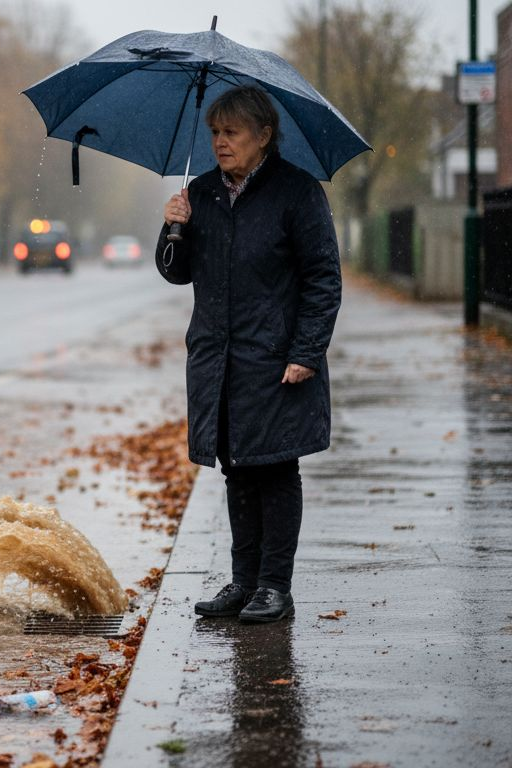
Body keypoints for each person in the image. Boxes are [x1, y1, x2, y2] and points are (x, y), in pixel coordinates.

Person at [156, 85, 342, 623]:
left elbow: (322, 279)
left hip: (278, 357)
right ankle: (243, 581)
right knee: (237, 466)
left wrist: (307, 350)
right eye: (215, 132)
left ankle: (274, 587)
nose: (219, 142)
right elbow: (175, 271)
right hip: (219, 359)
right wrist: (174, 226)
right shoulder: (203, 193)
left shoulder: (297, 193)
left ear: (264, 135)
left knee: (275, 468)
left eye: (231, 132)